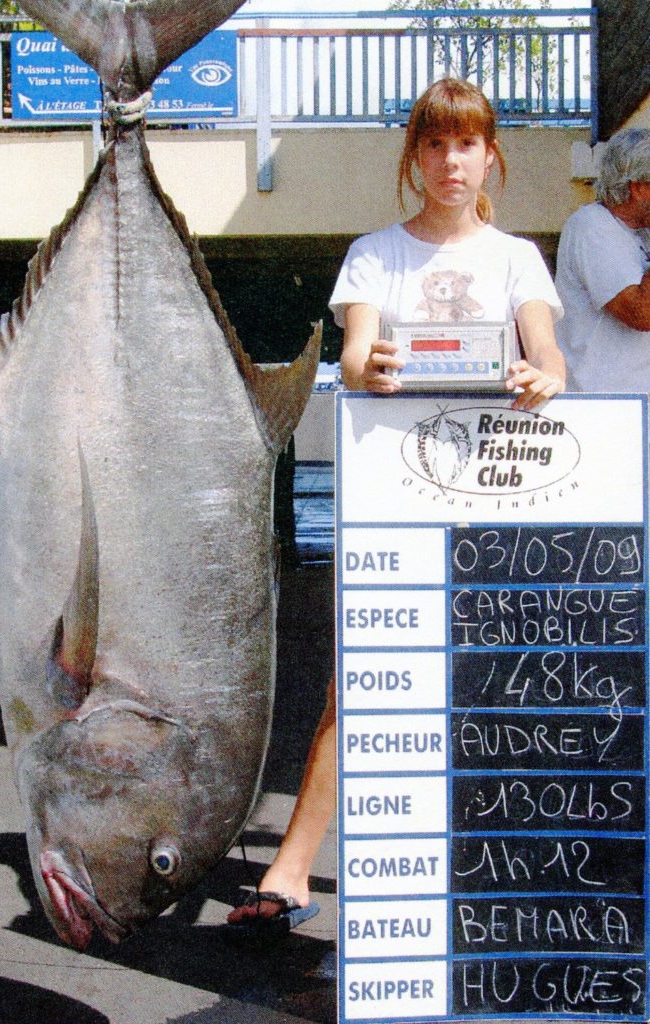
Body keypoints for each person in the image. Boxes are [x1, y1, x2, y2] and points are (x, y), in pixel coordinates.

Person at [227, 77, 566, 933]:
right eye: (434, 144)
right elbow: (349, 360)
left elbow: (550, 359)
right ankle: (293, 869)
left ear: (491, 154)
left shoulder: (518, 258)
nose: (451, 160)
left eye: (467, 143)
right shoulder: (374, 253)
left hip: (498, 503)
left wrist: (540, 379)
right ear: (412, 158)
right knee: (358, 688)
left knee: (499, 691)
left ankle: (500, 873)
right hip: (396, 497)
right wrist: (368, 368)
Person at [555, 128, 650, 392]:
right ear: (640, 188)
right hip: (607, 408)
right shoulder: (592, 226)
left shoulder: (641, 233)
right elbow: (641, 314)